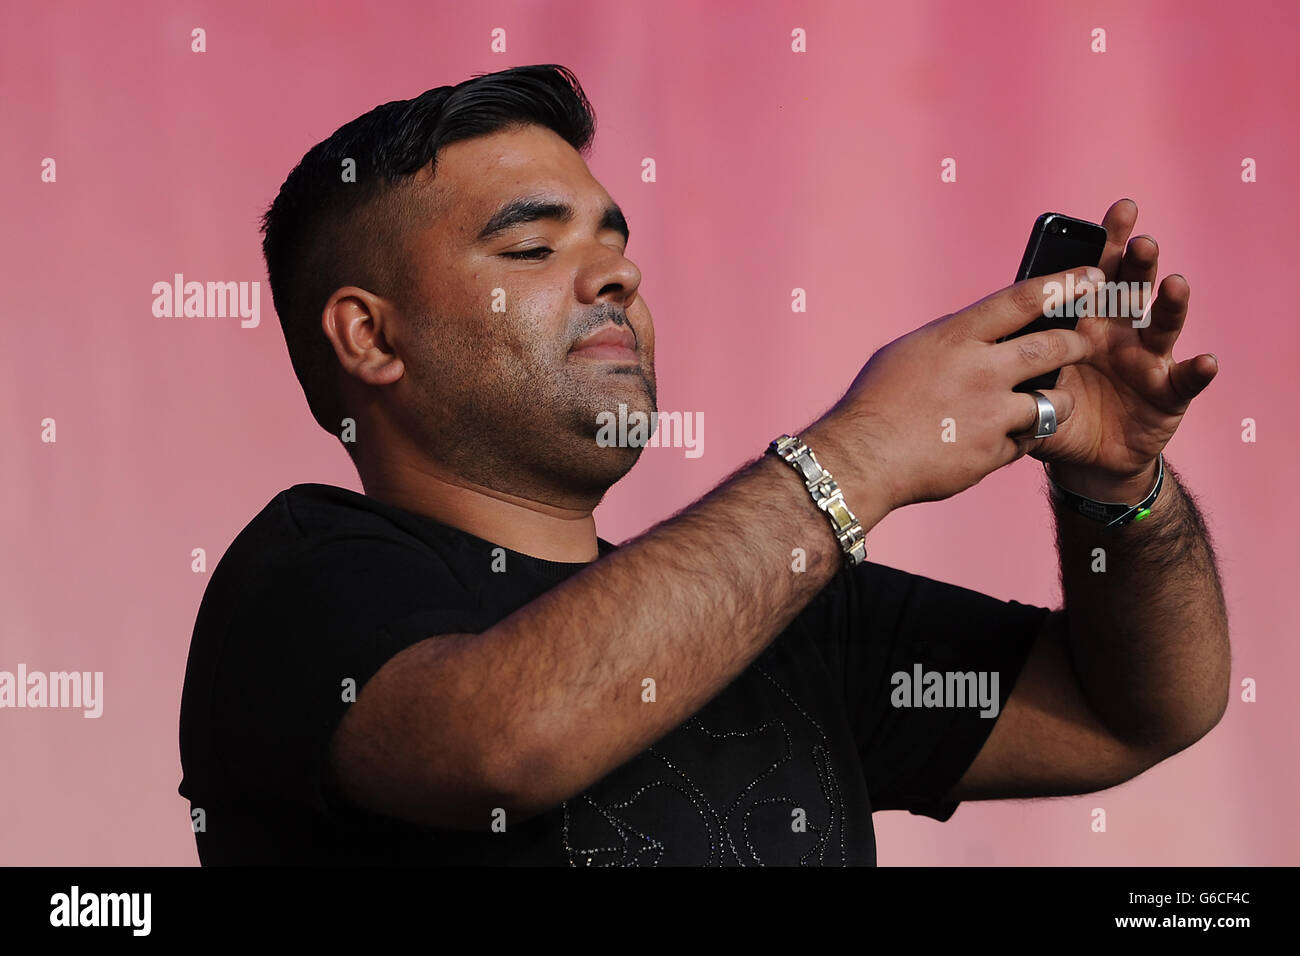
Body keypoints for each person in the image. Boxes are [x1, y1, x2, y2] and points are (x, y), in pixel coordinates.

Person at [178, 64, 1229, 866]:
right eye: (532, 248)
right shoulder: (302, 578)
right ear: (370, 337)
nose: (617, 273)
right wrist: (858, 454)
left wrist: (1114, 491)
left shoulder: (786, 611)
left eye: (615, 240)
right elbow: (503, 741)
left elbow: (1132, 710)